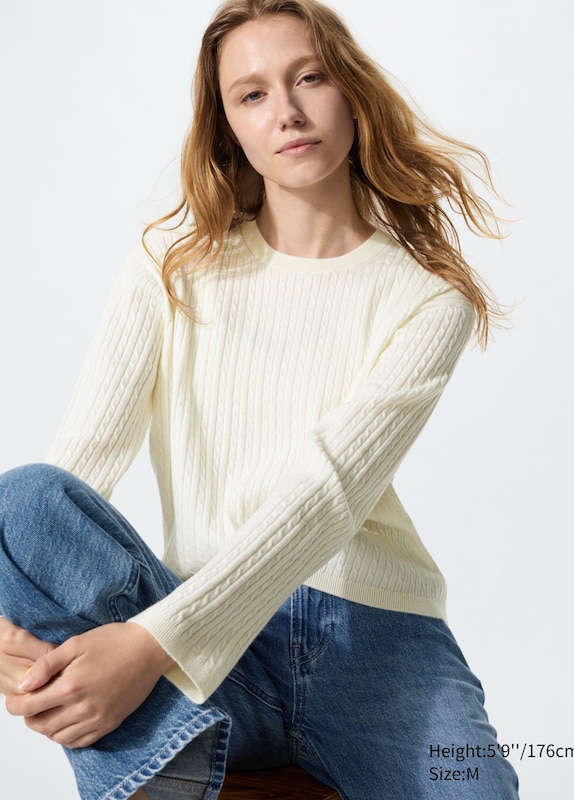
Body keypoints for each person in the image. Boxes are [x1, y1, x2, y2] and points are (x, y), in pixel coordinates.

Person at [0, 1, 520, 798]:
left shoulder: (426, 296)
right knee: (25, 500)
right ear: (229, 128)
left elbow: (327, 495)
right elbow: (78, 471)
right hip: (203, 636)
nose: (287, 112)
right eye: (252, 94)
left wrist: (148, 646)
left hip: (376, 645)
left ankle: (154, 760)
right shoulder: (171, 268)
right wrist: (11, 629)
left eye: (309, 78)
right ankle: (164, 769)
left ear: (351, 92)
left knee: (477, 789)